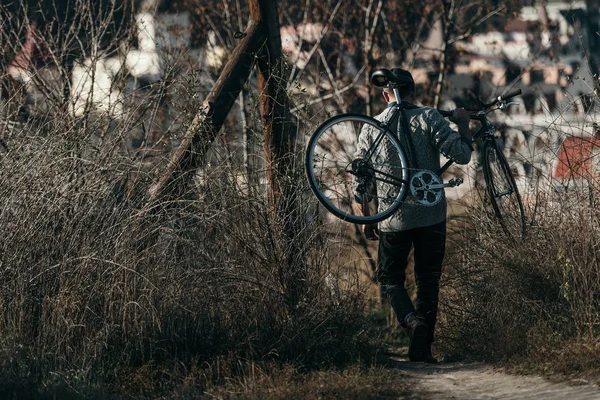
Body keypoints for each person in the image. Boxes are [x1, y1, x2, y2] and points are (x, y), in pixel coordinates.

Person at [354, 68, 473, 363]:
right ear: (413, 92)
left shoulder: (372, 126)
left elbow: (360, 177)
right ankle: (423, 349)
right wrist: (463, 125)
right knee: (428, 280)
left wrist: (365, 215)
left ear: (386, 95)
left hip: (392, 217)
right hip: (431, 214)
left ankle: (411, 321)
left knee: (391, 278)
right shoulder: (429, 117)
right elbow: (462, 154)